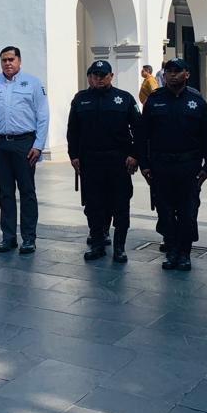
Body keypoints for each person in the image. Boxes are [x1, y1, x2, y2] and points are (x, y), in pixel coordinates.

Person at [136, 58, 207, 271]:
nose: (172, 75)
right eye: (169, 71)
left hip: (189, 166)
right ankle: (171, 250)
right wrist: (144, 164)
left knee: (188, 211)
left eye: (177, 71)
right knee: (166, 211)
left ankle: (185, 252)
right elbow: (143, 136)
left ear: (187, 74)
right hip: (162, 166)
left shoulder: (197, 101)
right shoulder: (155, 100)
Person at [67, 60, 139, 263]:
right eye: (95, 75)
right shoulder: (81, 99)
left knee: (121, 205)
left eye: (103, 75)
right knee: (94, 205)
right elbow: (73, 131)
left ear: (111, 76)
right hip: (91, 161)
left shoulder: (124, 99)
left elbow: (139, 130)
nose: (99, 78)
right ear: (89, 77)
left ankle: (119, 248)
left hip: (118, 162)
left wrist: (135, 155)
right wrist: (74, 156)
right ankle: (98, 244)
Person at [0, 46, 49, 255]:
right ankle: (8, 237)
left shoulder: (33, 83)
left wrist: (38, 145)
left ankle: (28, 238)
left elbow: (43, 115)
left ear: (19, 60)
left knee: (27, 192)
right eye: (4, 60)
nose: (7, 63)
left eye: (11, 59)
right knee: (6, 193)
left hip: (24, 144)